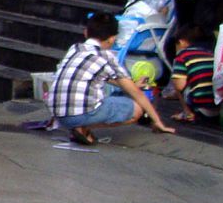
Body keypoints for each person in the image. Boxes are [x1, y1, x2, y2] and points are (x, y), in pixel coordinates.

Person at [48, 12, 176, 143]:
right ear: (112, 39)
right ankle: (82, 127)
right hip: (80, 113)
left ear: (86, 33)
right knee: (137, 109)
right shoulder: (106, 56)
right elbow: (137, 93)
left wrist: (131, 84)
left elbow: (97, 75)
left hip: (57, 113)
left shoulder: (75, 48)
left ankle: (77, 126)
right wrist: (158, 121)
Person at [168, 27, 218, 125]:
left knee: (177, 80)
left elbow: (179, 86)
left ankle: (188, 113)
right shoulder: (210, 53)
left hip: (200, 106)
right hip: (217, 106)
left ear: (181, 42)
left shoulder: (182, 55)